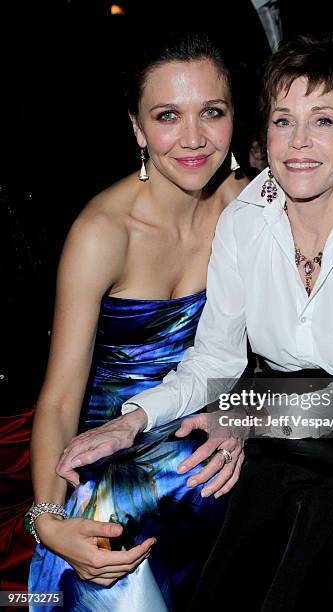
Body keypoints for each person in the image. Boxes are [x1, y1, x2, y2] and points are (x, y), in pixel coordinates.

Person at [57, 35, 333, 610]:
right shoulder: (244, 222)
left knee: (316, 498)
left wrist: (245, 420)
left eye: (322, 120)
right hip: (268, 402)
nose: (299, 142)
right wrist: (133, 419)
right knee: (237, 483)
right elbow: (214, 361)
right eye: (283, 120)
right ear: (264, 135)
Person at [27, 32, 249, 612]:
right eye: (168, 116)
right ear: (137, 128)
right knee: (109, 507)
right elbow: (57, 401)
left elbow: (282, 355)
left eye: (213, 112)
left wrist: (240, 414)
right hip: (112, 459)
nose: (194, 138)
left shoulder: (251, 209)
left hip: (204, 443)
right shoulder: (104, 232)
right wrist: (47, 521)